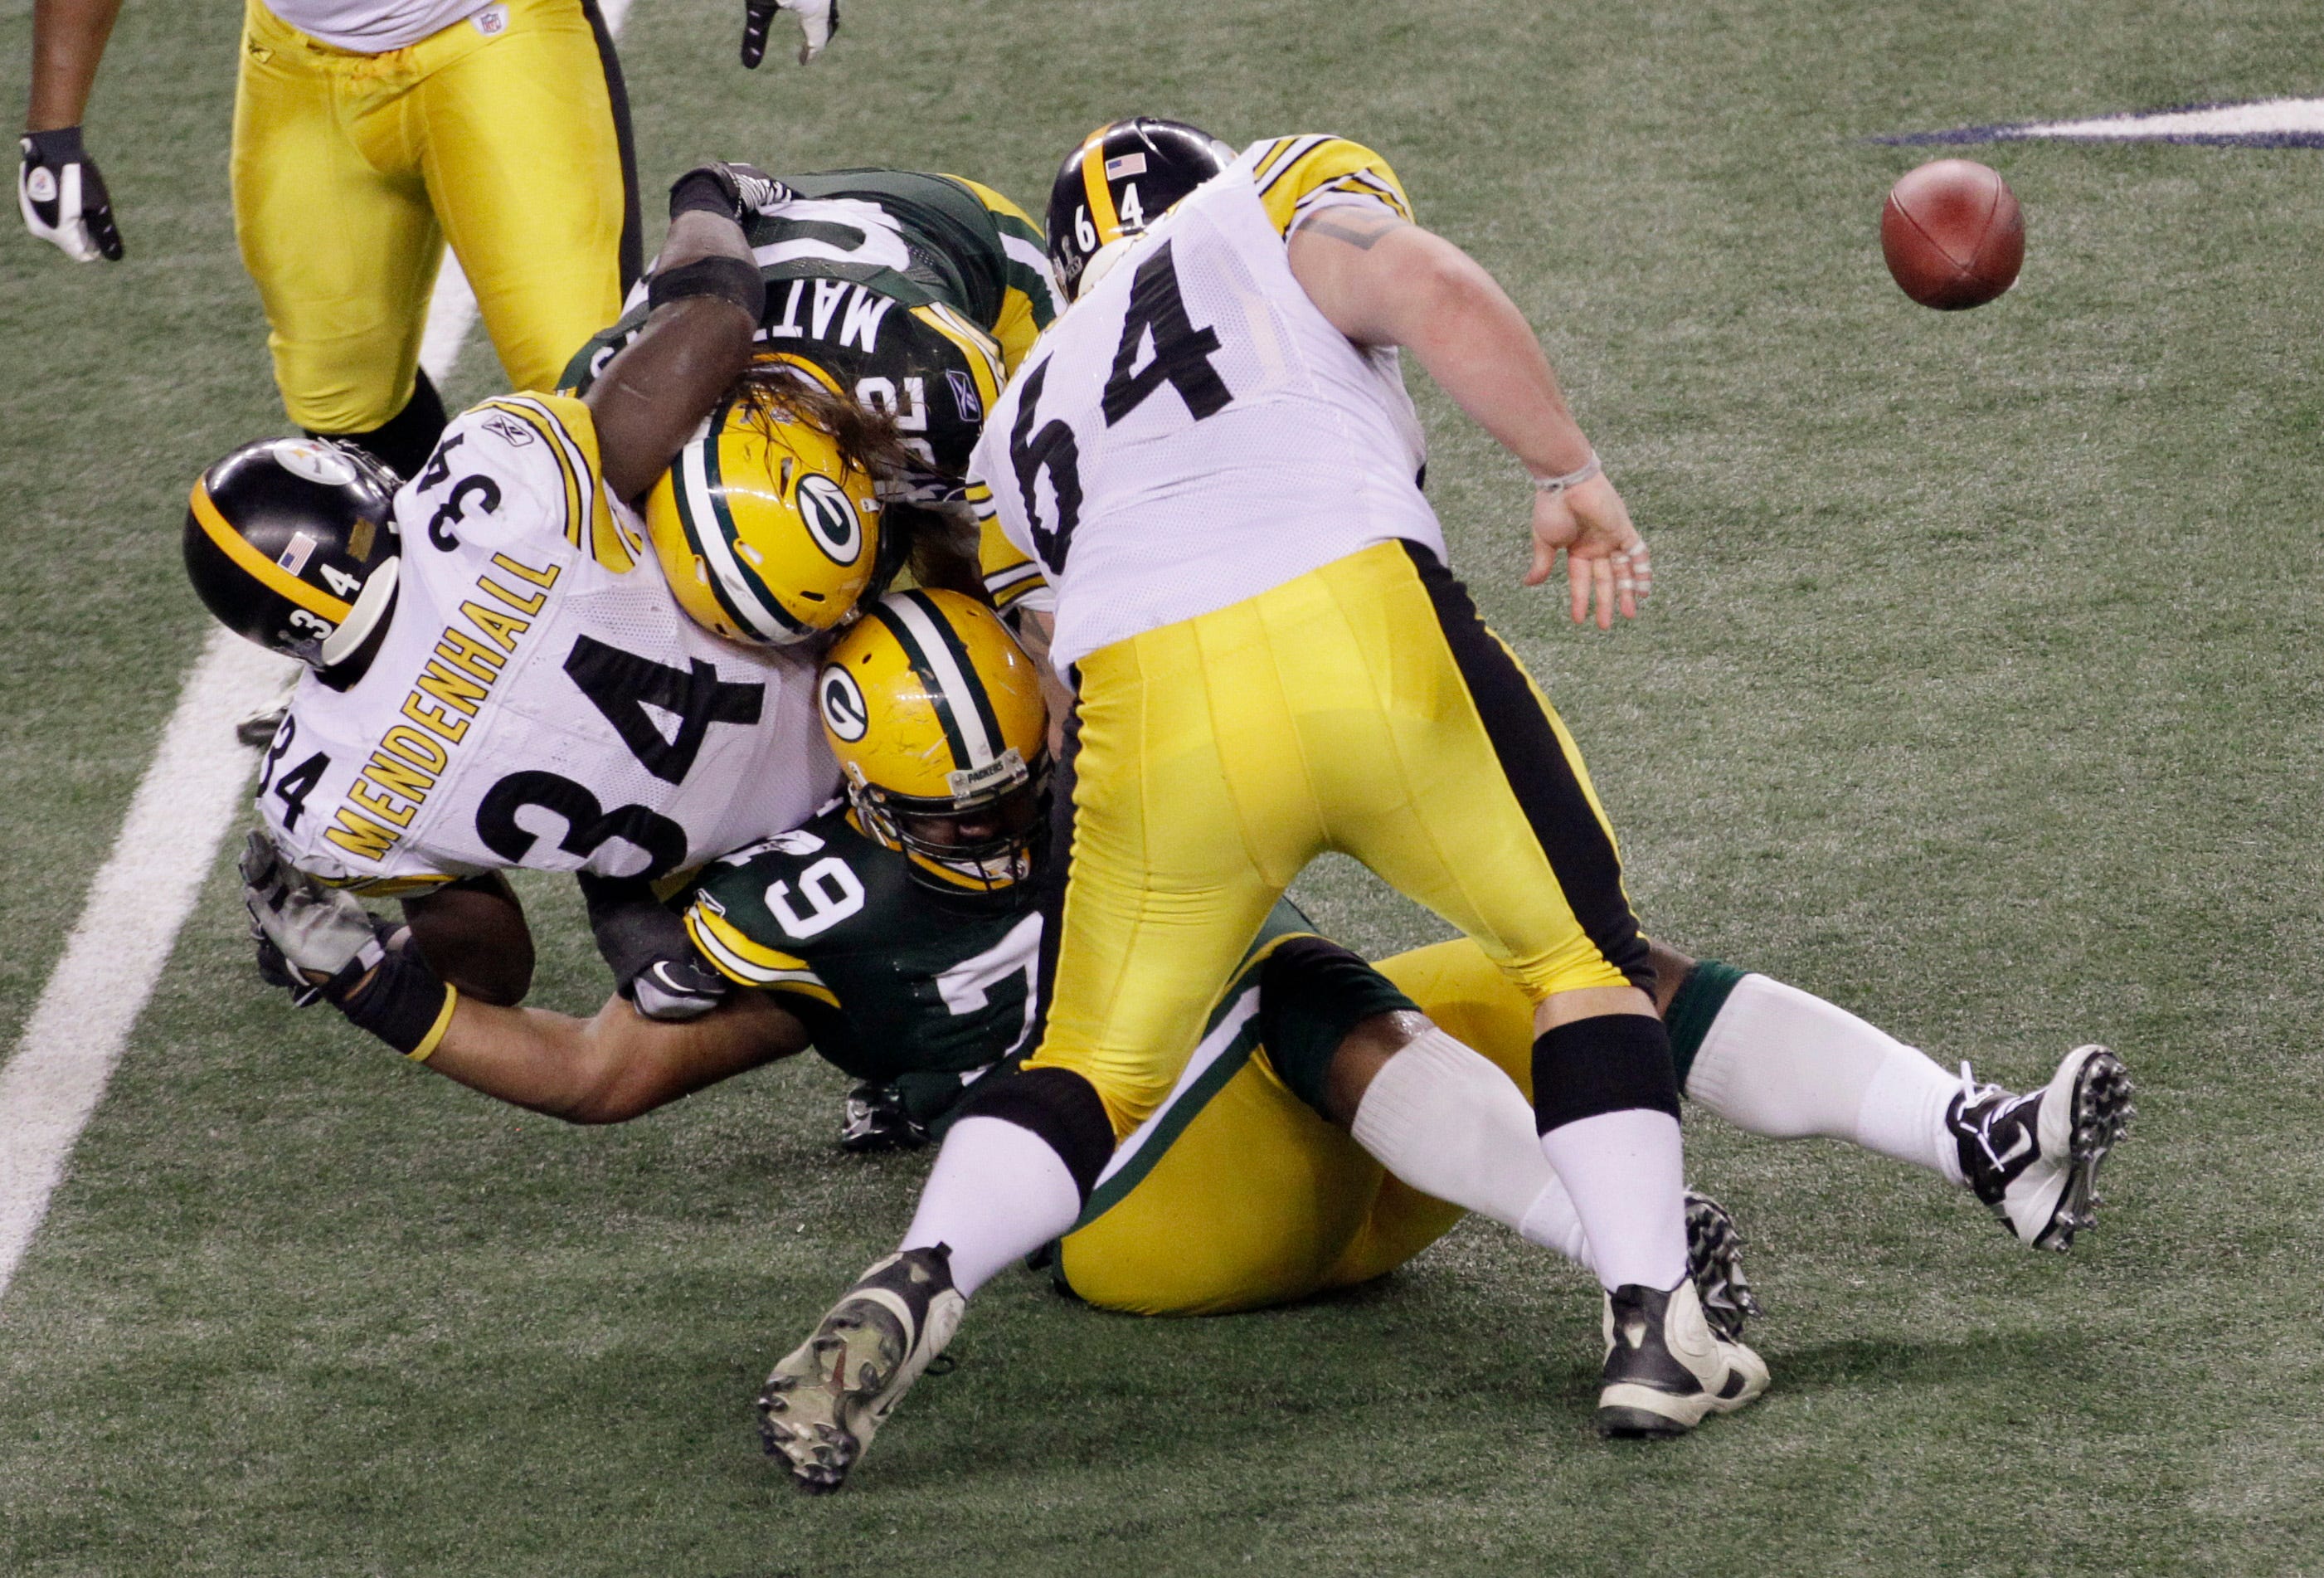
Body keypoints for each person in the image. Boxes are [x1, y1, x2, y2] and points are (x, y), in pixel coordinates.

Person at [239, 589, 2132, 1485]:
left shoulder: (811, 890)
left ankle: (1934, 1145)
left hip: (1243, 1169)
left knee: (1553, 971)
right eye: (979, 802)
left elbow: (598, 1070)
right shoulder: (1080, 748)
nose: (1002, 820)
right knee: (1394, 973)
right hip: (1152, 1208)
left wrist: (383, 989)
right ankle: (1634, 1262)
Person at [757, 114, 1737, 1474]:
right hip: (1348, 622)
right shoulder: (1267, 195)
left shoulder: (1022, 413)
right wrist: (1567, 471)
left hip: (1148, 706)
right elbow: (1430, 286)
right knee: (1578, 961)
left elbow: (1057, 678)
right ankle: (1652, 1322)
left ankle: (920, 1270)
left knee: (1085, 1070)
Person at [192, 161, 914, 1017]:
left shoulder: (321, 789)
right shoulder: (496, 484)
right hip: (884, 718)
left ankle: (634, 910)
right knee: (606, 394)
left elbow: (495, 977)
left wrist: (362, 957)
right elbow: (717, 325)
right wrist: (706, 196)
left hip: (748, 867)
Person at [17, 0, 834, 478]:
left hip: (496, 34)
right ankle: (416, 635)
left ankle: (670, 663)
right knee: (340, 392)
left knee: (594, 396)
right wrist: (52, 129)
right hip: (298, 62)